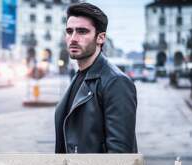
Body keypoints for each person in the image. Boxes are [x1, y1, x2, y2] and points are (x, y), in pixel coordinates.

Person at [55, 2, 137, 153]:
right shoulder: (78, 75)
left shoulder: (116, 82)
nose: (73, 38)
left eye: (82, 31)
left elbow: (120, 157)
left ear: (100, 38)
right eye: (69, 31)